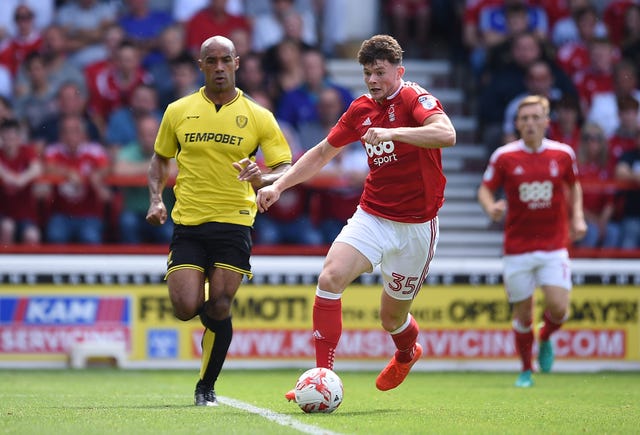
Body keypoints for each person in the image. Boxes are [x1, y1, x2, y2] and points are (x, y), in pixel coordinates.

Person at [256, 34, 456, 395]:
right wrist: (278, 186)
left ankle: (407, 352)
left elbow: (446, 133)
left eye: (380, 72)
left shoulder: (413, 97)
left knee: (391, 318)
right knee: (330, 278)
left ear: (399, 71)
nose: (373, 80)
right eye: (367, 73)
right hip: (373, 215)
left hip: (416, 228)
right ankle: (320, 380)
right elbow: (320, 153)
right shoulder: (360, 108)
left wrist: (395, 133)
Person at [145, 35, 292, 406]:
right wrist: (155, 199)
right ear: (201, 66)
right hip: (189, 223)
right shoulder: (178, 110)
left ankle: (205, 387)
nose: (219, 67)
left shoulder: (259, 116)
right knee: (183, 307)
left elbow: (285, 167)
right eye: (211, 61)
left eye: (226, 60)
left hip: (234, 221)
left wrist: (264, 179)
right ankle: (216, 334)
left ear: (238, 63)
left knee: (221, 304)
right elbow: (161, 159)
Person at [477, 95, 587, 388]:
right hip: (517, 249)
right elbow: (485, 190)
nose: (529, 123)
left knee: (559, 307)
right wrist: (491, 208)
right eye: (524, 119)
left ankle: (546, 336)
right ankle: (526, 369)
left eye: (535, 117)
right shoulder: (504, 156)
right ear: (516, 124)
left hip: (553, 246)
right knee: (523, 314)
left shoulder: (563, 154)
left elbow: (574, 186)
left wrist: (578, 218)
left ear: (546, 121)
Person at [0, 118, 42, 245]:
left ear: (18, 138)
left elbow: (37, 168)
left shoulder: (26, 151)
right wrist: (7, 176)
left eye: (12, 138)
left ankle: (33, 265)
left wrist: (21, 179)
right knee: (7, 227)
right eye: (5, 137)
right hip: (4, 212)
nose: (9, 142)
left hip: (25, 214)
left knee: (32, 235)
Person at [614, 129, 640, 250]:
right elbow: (620, 172)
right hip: (632, 215)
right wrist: (636, 177)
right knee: (627, 247)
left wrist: (633, 176)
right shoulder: (629, 155)